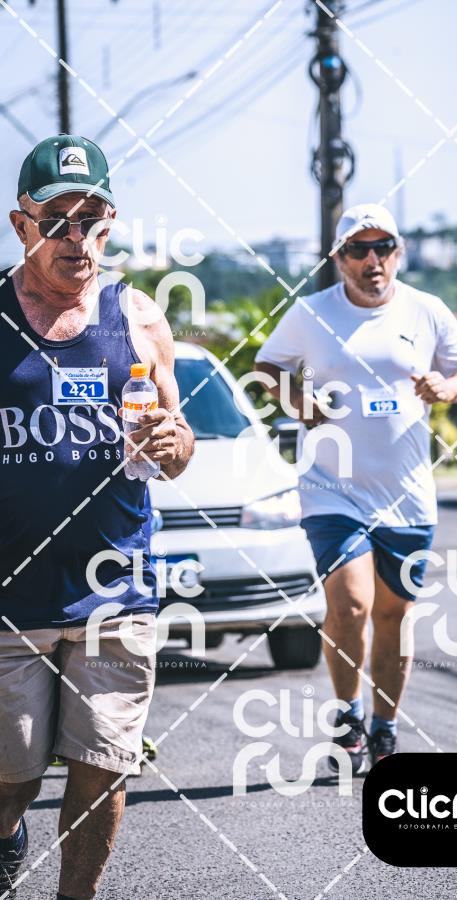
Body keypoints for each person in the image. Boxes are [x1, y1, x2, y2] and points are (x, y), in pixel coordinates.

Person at [0, 135, 194, 899]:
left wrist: (175, 442)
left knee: (102, 767)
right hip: (10, 593)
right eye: (57, 221)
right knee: (12, 776)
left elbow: (177, 449)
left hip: (116, 587)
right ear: (21, 225)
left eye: (91, 220)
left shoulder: (137, 316)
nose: (75, 238)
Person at [254, 203, 457, 774]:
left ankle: (385, 726)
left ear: (397, 253)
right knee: (351, 603)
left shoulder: (426, 309)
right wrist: (298, 402)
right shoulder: (312, 313)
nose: (372, 259)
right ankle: (349, 716)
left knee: (393, 615)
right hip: (332, 489)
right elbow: (267, 367)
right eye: (358, 249)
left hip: (406, 494)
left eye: (382, 247)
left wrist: (447, 387)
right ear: (339, 259)